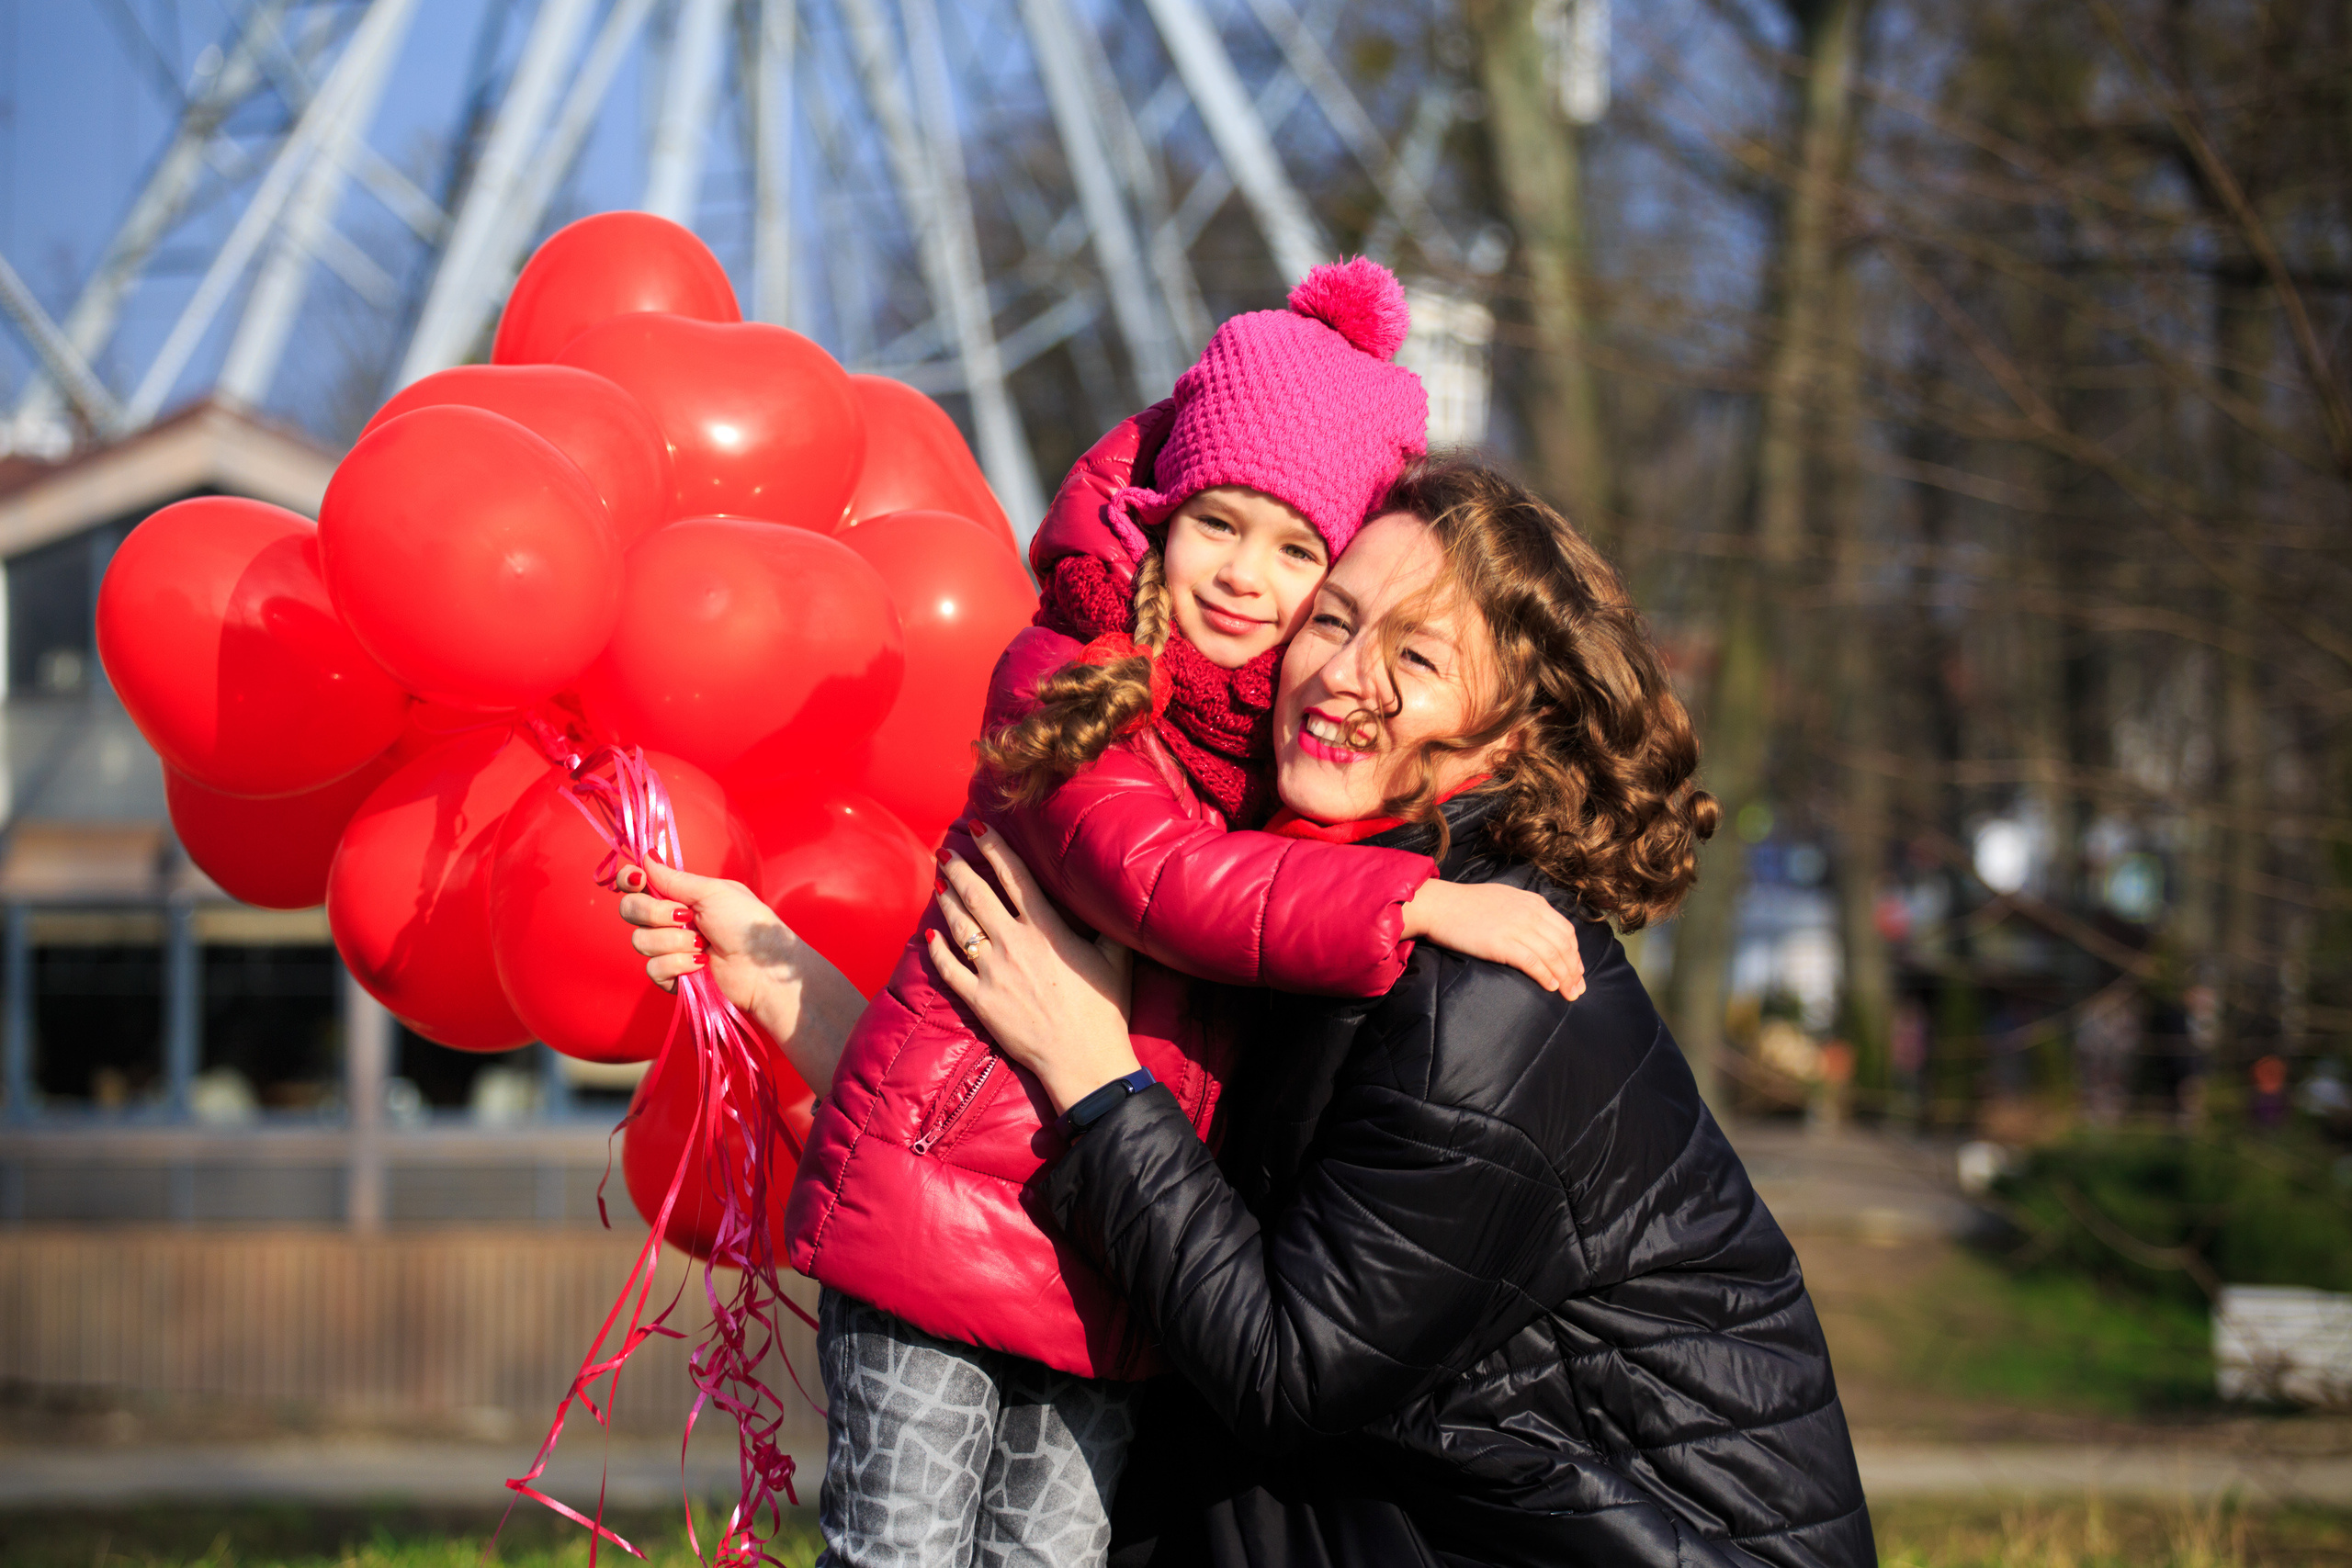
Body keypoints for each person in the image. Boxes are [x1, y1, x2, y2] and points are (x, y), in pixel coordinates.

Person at [621, 263, 1585, 1568]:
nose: (1244, 577)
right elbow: (1159, 883)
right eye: (1217, 524)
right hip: (940, 1227)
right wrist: (1414, 901)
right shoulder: (1075, 683)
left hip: (1101, 1269)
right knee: (899, 1551)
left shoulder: (1261, 767)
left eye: (1297, 551)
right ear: (1155, 513)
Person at [918, 459, 1876, 1567]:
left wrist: (1097, 1080)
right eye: (1331, 621)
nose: (1341, 676)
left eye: (1415, 658)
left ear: (1515, 735)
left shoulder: (1486, 997)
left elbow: (1285, 1371)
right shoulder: (1283, 899)